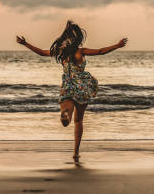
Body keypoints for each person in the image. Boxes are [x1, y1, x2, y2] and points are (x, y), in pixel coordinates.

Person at [16, 21, 128, 161]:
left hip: (68, 84)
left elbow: (41, 52)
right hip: (83, 86)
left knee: (67, 106)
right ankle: (75, 152)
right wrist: (117, 45)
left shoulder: (60, 52)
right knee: (79, 120)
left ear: (65, 38)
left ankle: (65, 114)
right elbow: (100, 51)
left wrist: (25, 43)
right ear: (78, 38)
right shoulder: (80, 51)